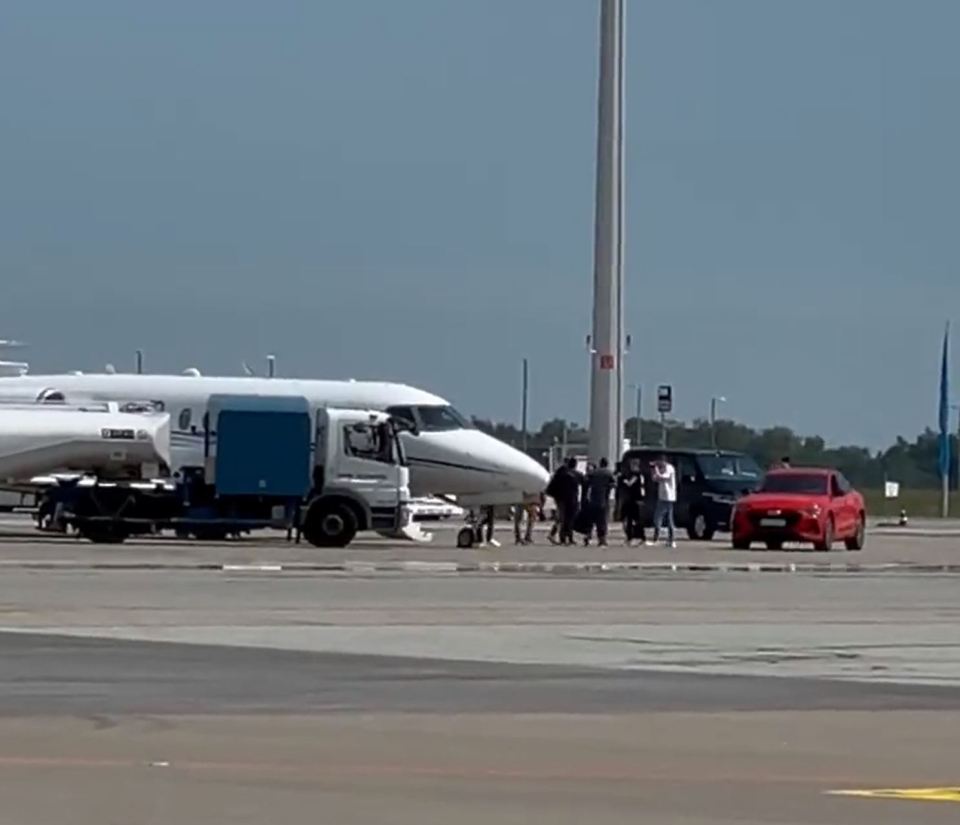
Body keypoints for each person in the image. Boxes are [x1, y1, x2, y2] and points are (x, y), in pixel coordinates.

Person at [547, 458, 581, 545]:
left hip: (560, 498)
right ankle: (565, 537)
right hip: (569, 499)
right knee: (566, 519)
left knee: (562, 518)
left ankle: (561, 537)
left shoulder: (560, 472)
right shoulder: (573, 473)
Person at [582, 458, 615, 546]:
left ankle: (588, 536)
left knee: (591, 520)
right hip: (603, 500)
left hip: (593, 499)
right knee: (602, 521)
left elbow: (585, 482)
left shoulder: (593, 473)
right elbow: (614, 484)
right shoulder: (609, 473)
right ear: (607, 464)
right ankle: (602, 540)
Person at [647, 454, 677, 548]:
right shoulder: (663, 469)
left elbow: (664, 477)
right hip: (663, 496)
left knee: (659, 517)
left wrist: (656, 469)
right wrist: (653, 471)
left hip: (668, 497)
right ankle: (670, 540)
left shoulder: (669, 468)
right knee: (667, 519)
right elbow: (655, 479)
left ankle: (658, 539)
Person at [618, 457, 646, 545]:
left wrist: (623, 480)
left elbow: (630, 483)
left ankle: (639, 537)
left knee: (635, 519)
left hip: (635, 500)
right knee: (631, 519)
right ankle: (632, 537)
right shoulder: (638, 475)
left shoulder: (637, 475)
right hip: (633, 499)